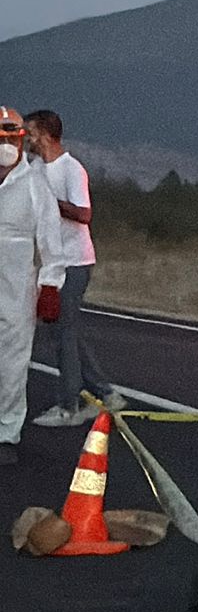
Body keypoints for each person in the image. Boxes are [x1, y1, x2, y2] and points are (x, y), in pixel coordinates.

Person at [26, 110, 121, 427]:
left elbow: (84, 214)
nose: (28, 139)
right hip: (52, 263)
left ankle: (69, 405)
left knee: (63, 334)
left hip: (76, 261)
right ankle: (105, 392)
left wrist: (50, 203)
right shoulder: (36, 168)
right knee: (66, 329)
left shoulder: (71, 169)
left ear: (47, 135)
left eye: (31, 133)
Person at [0, 106, 69, 465]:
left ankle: (6, 433)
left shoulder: (34, 185)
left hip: (15, 291)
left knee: (11, 364)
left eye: (12, 136)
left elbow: (50, 241)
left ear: (21, 140)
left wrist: (50, 286)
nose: (6, 144)